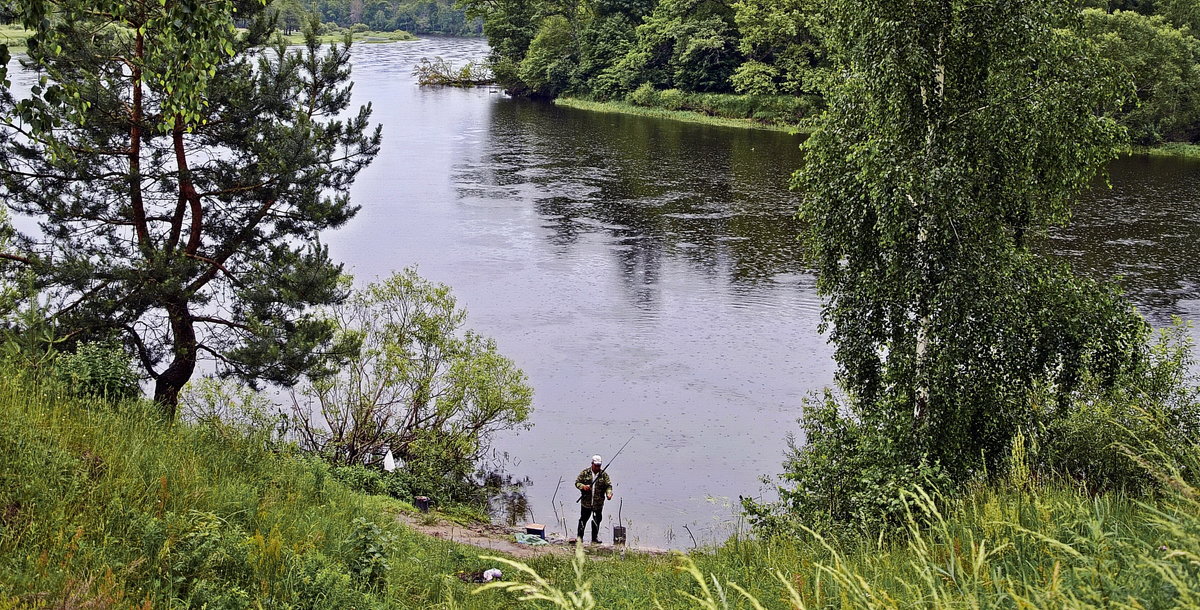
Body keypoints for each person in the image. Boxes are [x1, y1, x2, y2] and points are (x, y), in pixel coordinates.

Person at [575, 454, 613, 544]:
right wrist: (583, 487)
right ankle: (579, 539)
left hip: (598, 503)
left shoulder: (604, 475)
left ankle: (594, 539)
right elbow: (577, 483)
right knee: (583, 521)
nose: (597, 467)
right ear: (592, 464)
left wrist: (609, 493)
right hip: (586, 503)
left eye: (599, 465)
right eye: (596, 465)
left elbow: (608, 486)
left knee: (597, 521)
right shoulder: (585, 473)